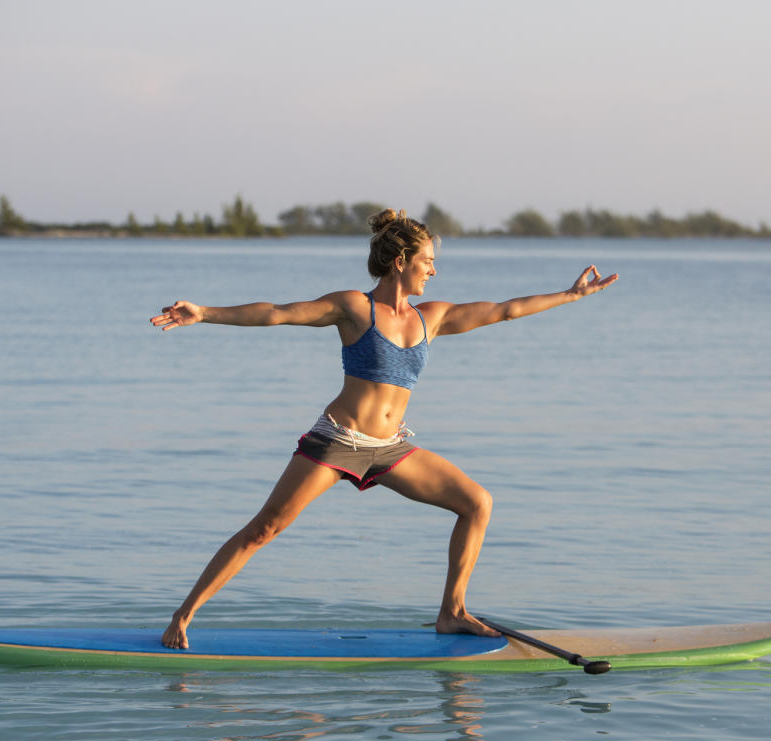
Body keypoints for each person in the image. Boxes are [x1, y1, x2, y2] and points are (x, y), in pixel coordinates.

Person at [150, 209, 617, 648]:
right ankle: (184, 615)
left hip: (389, 449)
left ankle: (451, 612)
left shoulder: (431, 317)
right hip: (339, 441)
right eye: (427, 262)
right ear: (401, 262)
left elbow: (505, 309)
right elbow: (278, 312)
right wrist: (205, 312)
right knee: (264, 528)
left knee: (477, 502)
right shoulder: (355, 308)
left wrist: (571, 295)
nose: (433, 271)